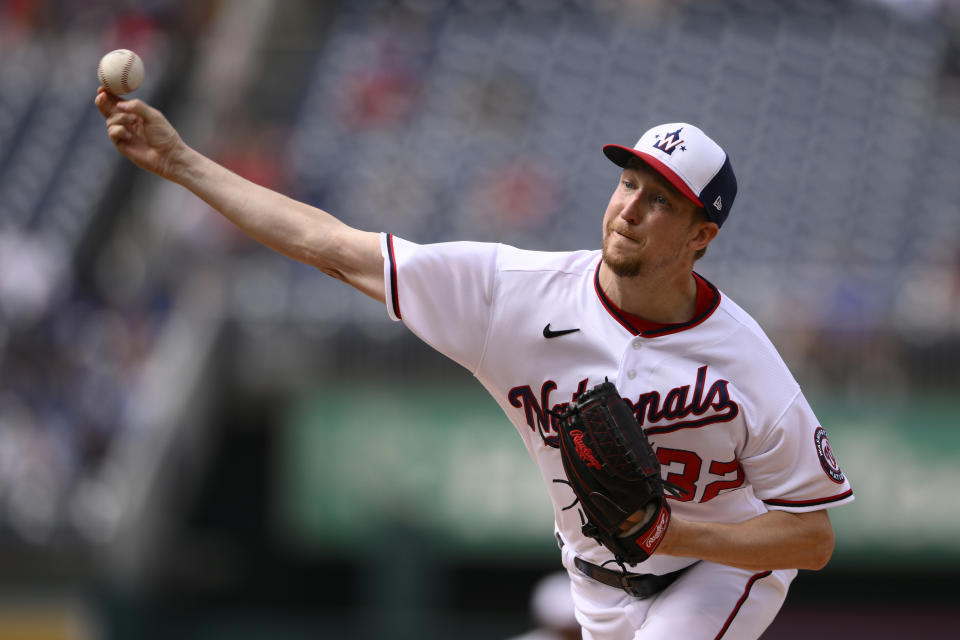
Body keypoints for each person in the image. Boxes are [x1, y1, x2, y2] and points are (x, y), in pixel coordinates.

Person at [95, 87, 854, 640]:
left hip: (716, 574)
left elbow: (811, 539)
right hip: (591, 585)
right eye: (628, 183)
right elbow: (330, 246)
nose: (629, 207)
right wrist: (183, 162)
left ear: (700, 236)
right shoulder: (510, 296)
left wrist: (674, 534)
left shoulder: (744, 361)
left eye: (660, 201)